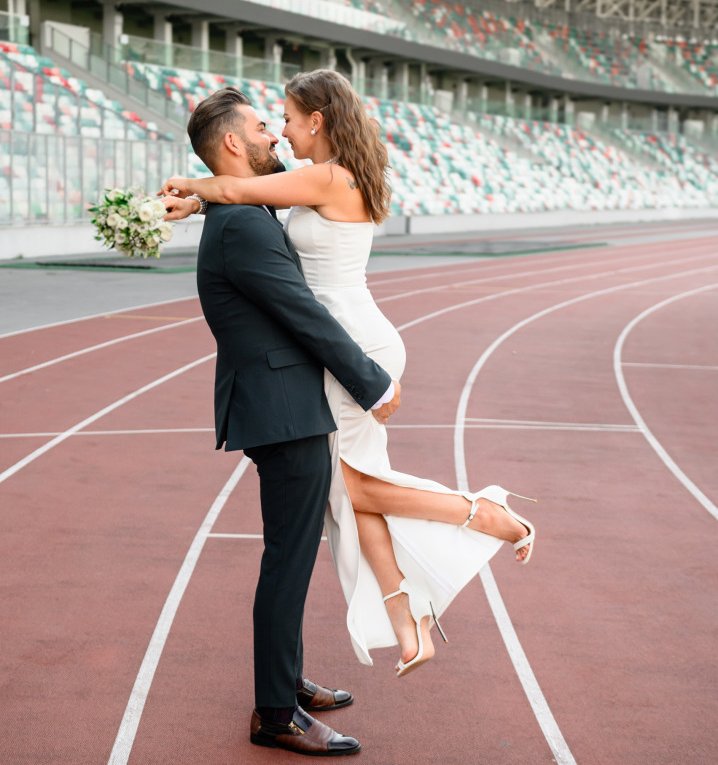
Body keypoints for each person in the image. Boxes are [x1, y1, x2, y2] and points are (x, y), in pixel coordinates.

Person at [163, 70, 537, 682]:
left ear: (317, 120)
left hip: (354, 344)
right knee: (346, 490)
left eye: (285, 118)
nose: (280, 131)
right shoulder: (317, 179)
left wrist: (190, 188)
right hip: (346, 341)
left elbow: (238, 189)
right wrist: (200, 201)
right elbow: (247, 192)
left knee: (353, 488)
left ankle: (485, 515)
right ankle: (405, 620)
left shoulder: (329, 176)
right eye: (270, 121)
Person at [178, 85, 403, 757]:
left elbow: (270, 188)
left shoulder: (241, 211)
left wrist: (200, 193)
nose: (274, 135)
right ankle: (276, 712)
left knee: (292, 558)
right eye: (259, 127)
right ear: (231, 144)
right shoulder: (244, 224)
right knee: (288, 561)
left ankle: (285, 680)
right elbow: (304, 315)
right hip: (285, 413)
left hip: (282, 404)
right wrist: (371, 384)